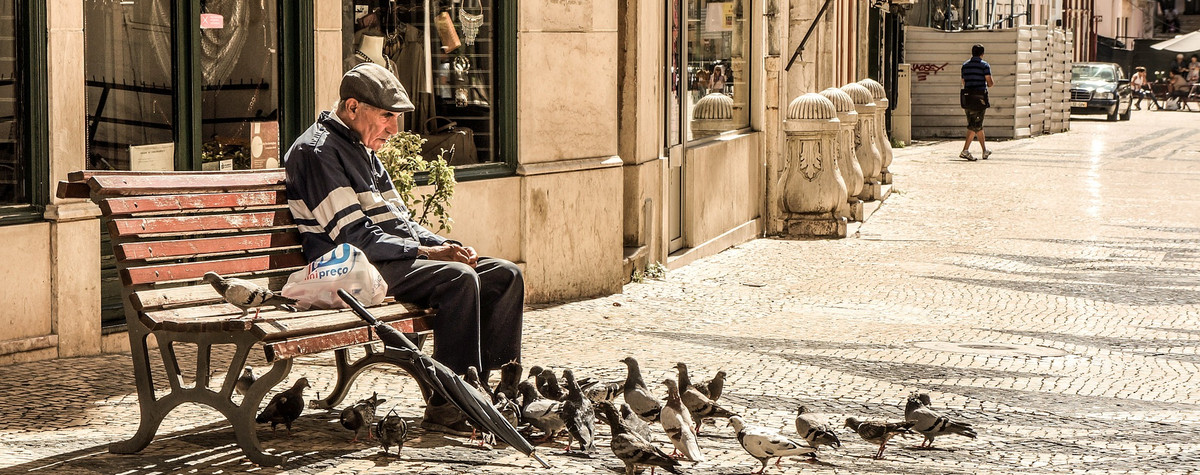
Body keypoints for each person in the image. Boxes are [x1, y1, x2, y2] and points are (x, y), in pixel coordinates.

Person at [283, 63, 524, 437]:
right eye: (387, 117)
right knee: (457, 280)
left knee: (505, 274)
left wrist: (441, 244)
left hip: (380, 262)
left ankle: (492, 392)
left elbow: (400, 222)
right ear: (352, 108)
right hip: (346, 271)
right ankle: (449, 405)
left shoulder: (362, 147)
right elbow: (353, 237)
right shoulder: (318, 152)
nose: (394, 130)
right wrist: (429, 255)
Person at [959, 43, 994, 161]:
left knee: (977, 124)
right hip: (979, 98)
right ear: (982, 54)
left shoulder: (965, 65)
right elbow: (990, 82)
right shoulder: (984, 65)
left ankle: (985, 150)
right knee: (974, 125)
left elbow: (963, 81)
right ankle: (965, 150)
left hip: (967, 97)